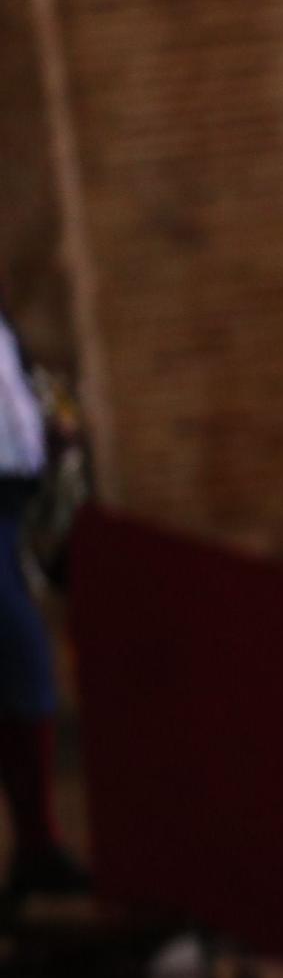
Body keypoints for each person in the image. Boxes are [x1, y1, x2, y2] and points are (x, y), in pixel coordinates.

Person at [0, 304, 82, 908]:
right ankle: (36, 846)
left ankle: (37, 846)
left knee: (25, 661)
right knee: (22, 654)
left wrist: (49, 428)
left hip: (11, 501)